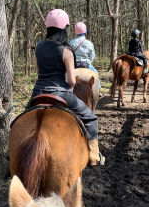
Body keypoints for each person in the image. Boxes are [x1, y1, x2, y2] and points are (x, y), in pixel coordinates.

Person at [29, 9, 104, 166]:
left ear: (48, 27)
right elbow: (71, 80)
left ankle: (10, 155)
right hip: (61, 93)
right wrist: (68, 85)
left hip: (38, 91)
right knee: (90, 118)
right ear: (64, 28)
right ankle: (93, 155)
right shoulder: (66, 51)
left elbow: (38, 72)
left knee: (21, 119)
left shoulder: (39, 46)